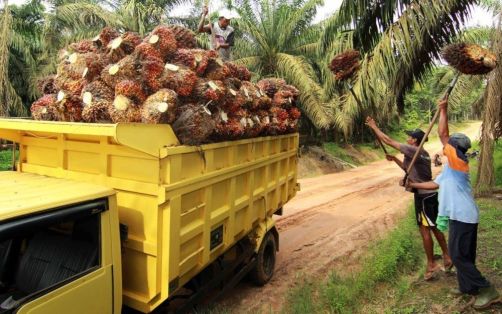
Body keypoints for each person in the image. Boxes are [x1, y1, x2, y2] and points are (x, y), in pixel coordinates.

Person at [407, 99, 500, 310]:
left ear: (454, 149)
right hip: (459, 216)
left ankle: (488, 290)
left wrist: (443, 110)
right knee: (463, 254)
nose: (444, 146)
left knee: (458, 255)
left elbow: (442, 134)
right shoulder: (450, 168)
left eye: (448, 145)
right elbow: (434, 184)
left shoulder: (459, 163)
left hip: (464, 216)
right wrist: (413, 184)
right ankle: (468, 286)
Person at [365, 116, 452, 280]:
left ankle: (431, 264)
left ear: (415, 141)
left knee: (425, 230)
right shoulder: (420, 153)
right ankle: (447, 257)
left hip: (424, 198)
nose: (407, 138)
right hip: (429, 196)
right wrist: (395, 159)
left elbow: (388, 140)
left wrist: (374, 126)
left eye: (410, 137)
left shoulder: (414, 150)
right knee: (433, 227)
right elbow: (407, 169)